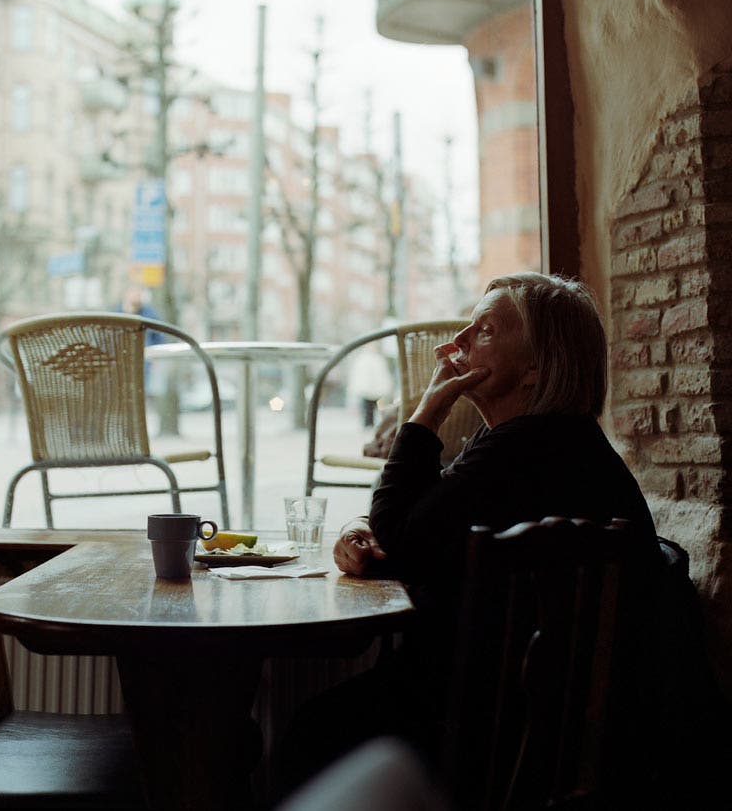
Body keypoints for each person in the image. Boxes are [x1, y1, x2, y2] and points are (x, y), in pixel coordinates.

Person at [273, 273, 661, 802]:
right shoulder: (546, 441)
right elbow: (431, 530)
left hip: (492, 727)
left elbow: (405, 536)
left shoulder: (524, 449)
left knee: (307, 736)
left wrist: (427, 411)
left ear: (535, 367)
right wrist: (362, 531)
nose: (454, 344)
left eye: (485, 330)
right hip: (523, 713)